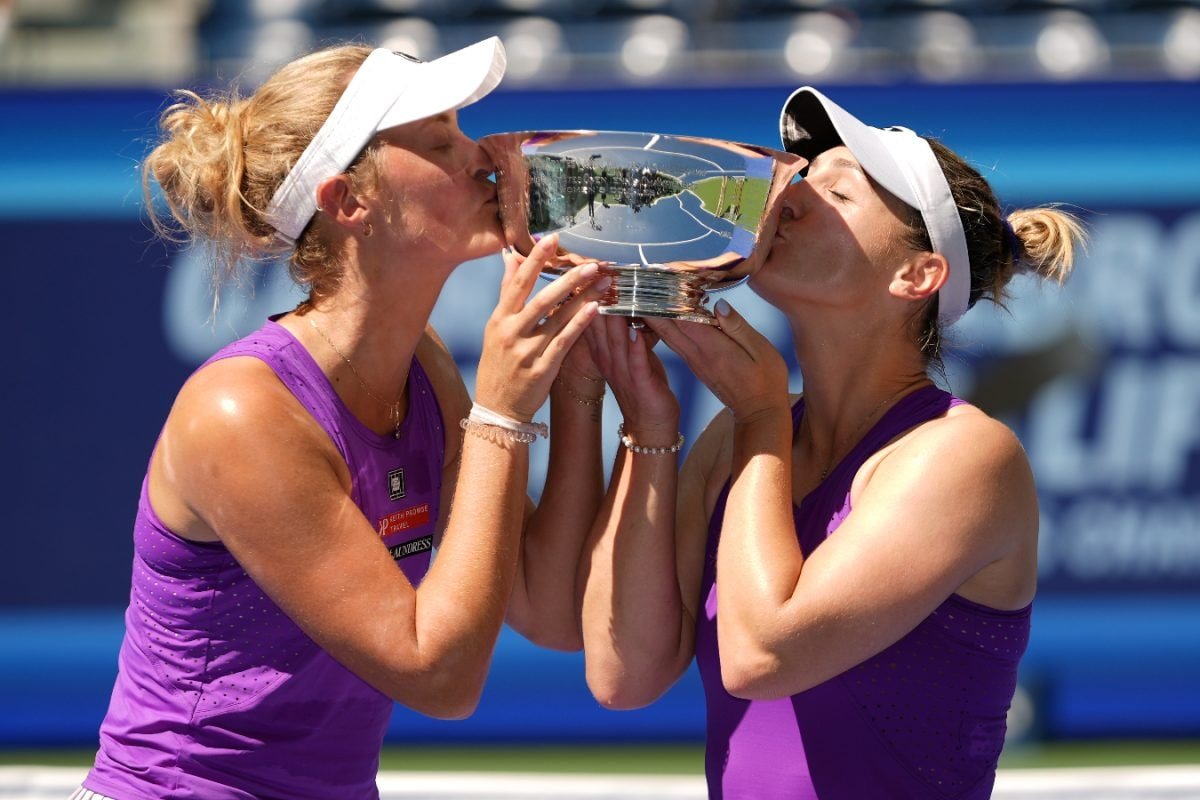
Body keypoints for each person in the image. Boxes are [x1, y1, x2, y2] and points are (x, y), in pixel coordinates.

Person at [80, 38, 611, 800]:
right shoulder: (240, 413)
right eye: (439, 141)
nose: (486, 157)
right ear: (348, 203)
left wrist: (575, 382)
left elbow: (555, 611)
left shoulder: (423, 368)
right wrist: (498, 414)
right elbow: (442, 677)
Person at [580, 86, 1085, 799]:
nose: (786, 198)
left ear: (917, 275)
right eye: (801, 180)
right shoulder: (737, 436)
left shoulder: (963, 454)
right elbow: (622, 673)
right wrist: (649, 429)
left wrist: (759, 416)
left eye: (838, 195)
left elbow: (761, 654)